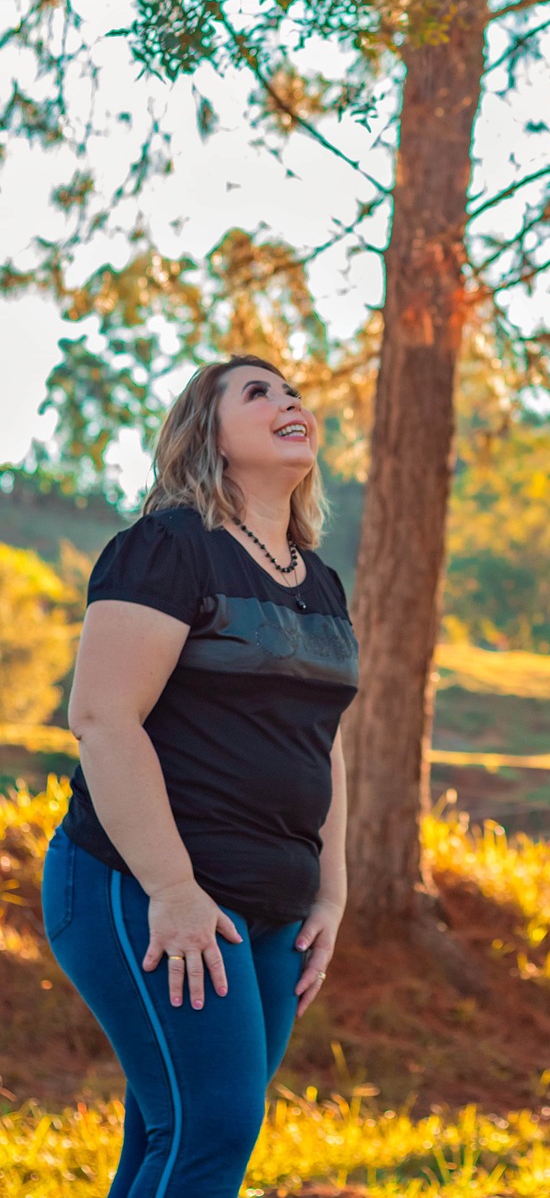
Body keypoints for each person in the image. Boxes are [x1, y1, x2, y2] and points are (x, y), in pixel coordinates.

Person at [41, 356, 358, 1198]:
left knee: (173, 1132)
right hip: (140, 887)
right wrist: (173, 889)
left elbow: (319, 742)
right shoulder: (168, 548)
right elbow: (103, 719)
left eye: (292, 391)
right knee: (210, 1129)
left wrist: (329, 894)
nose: (289, 400)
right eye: (257, 393)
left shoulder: (318, 582)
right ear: (205, 435)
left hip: (272, 908)